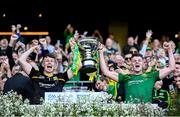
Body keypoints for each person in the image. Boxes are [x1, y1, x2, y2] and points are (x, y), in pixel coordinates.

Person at [98, 42, 175, 103]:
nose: (137, 62)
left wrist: (169, 50)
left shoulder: (151, 75)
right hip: (130, 112)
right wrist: (101, 53)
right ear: (131, 64)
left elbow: (171, 68)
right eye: (134, 61)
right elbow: (105, 72)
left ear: (143, 63)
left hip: (145, 112)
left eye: (139, 60)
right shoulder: (125, 77)